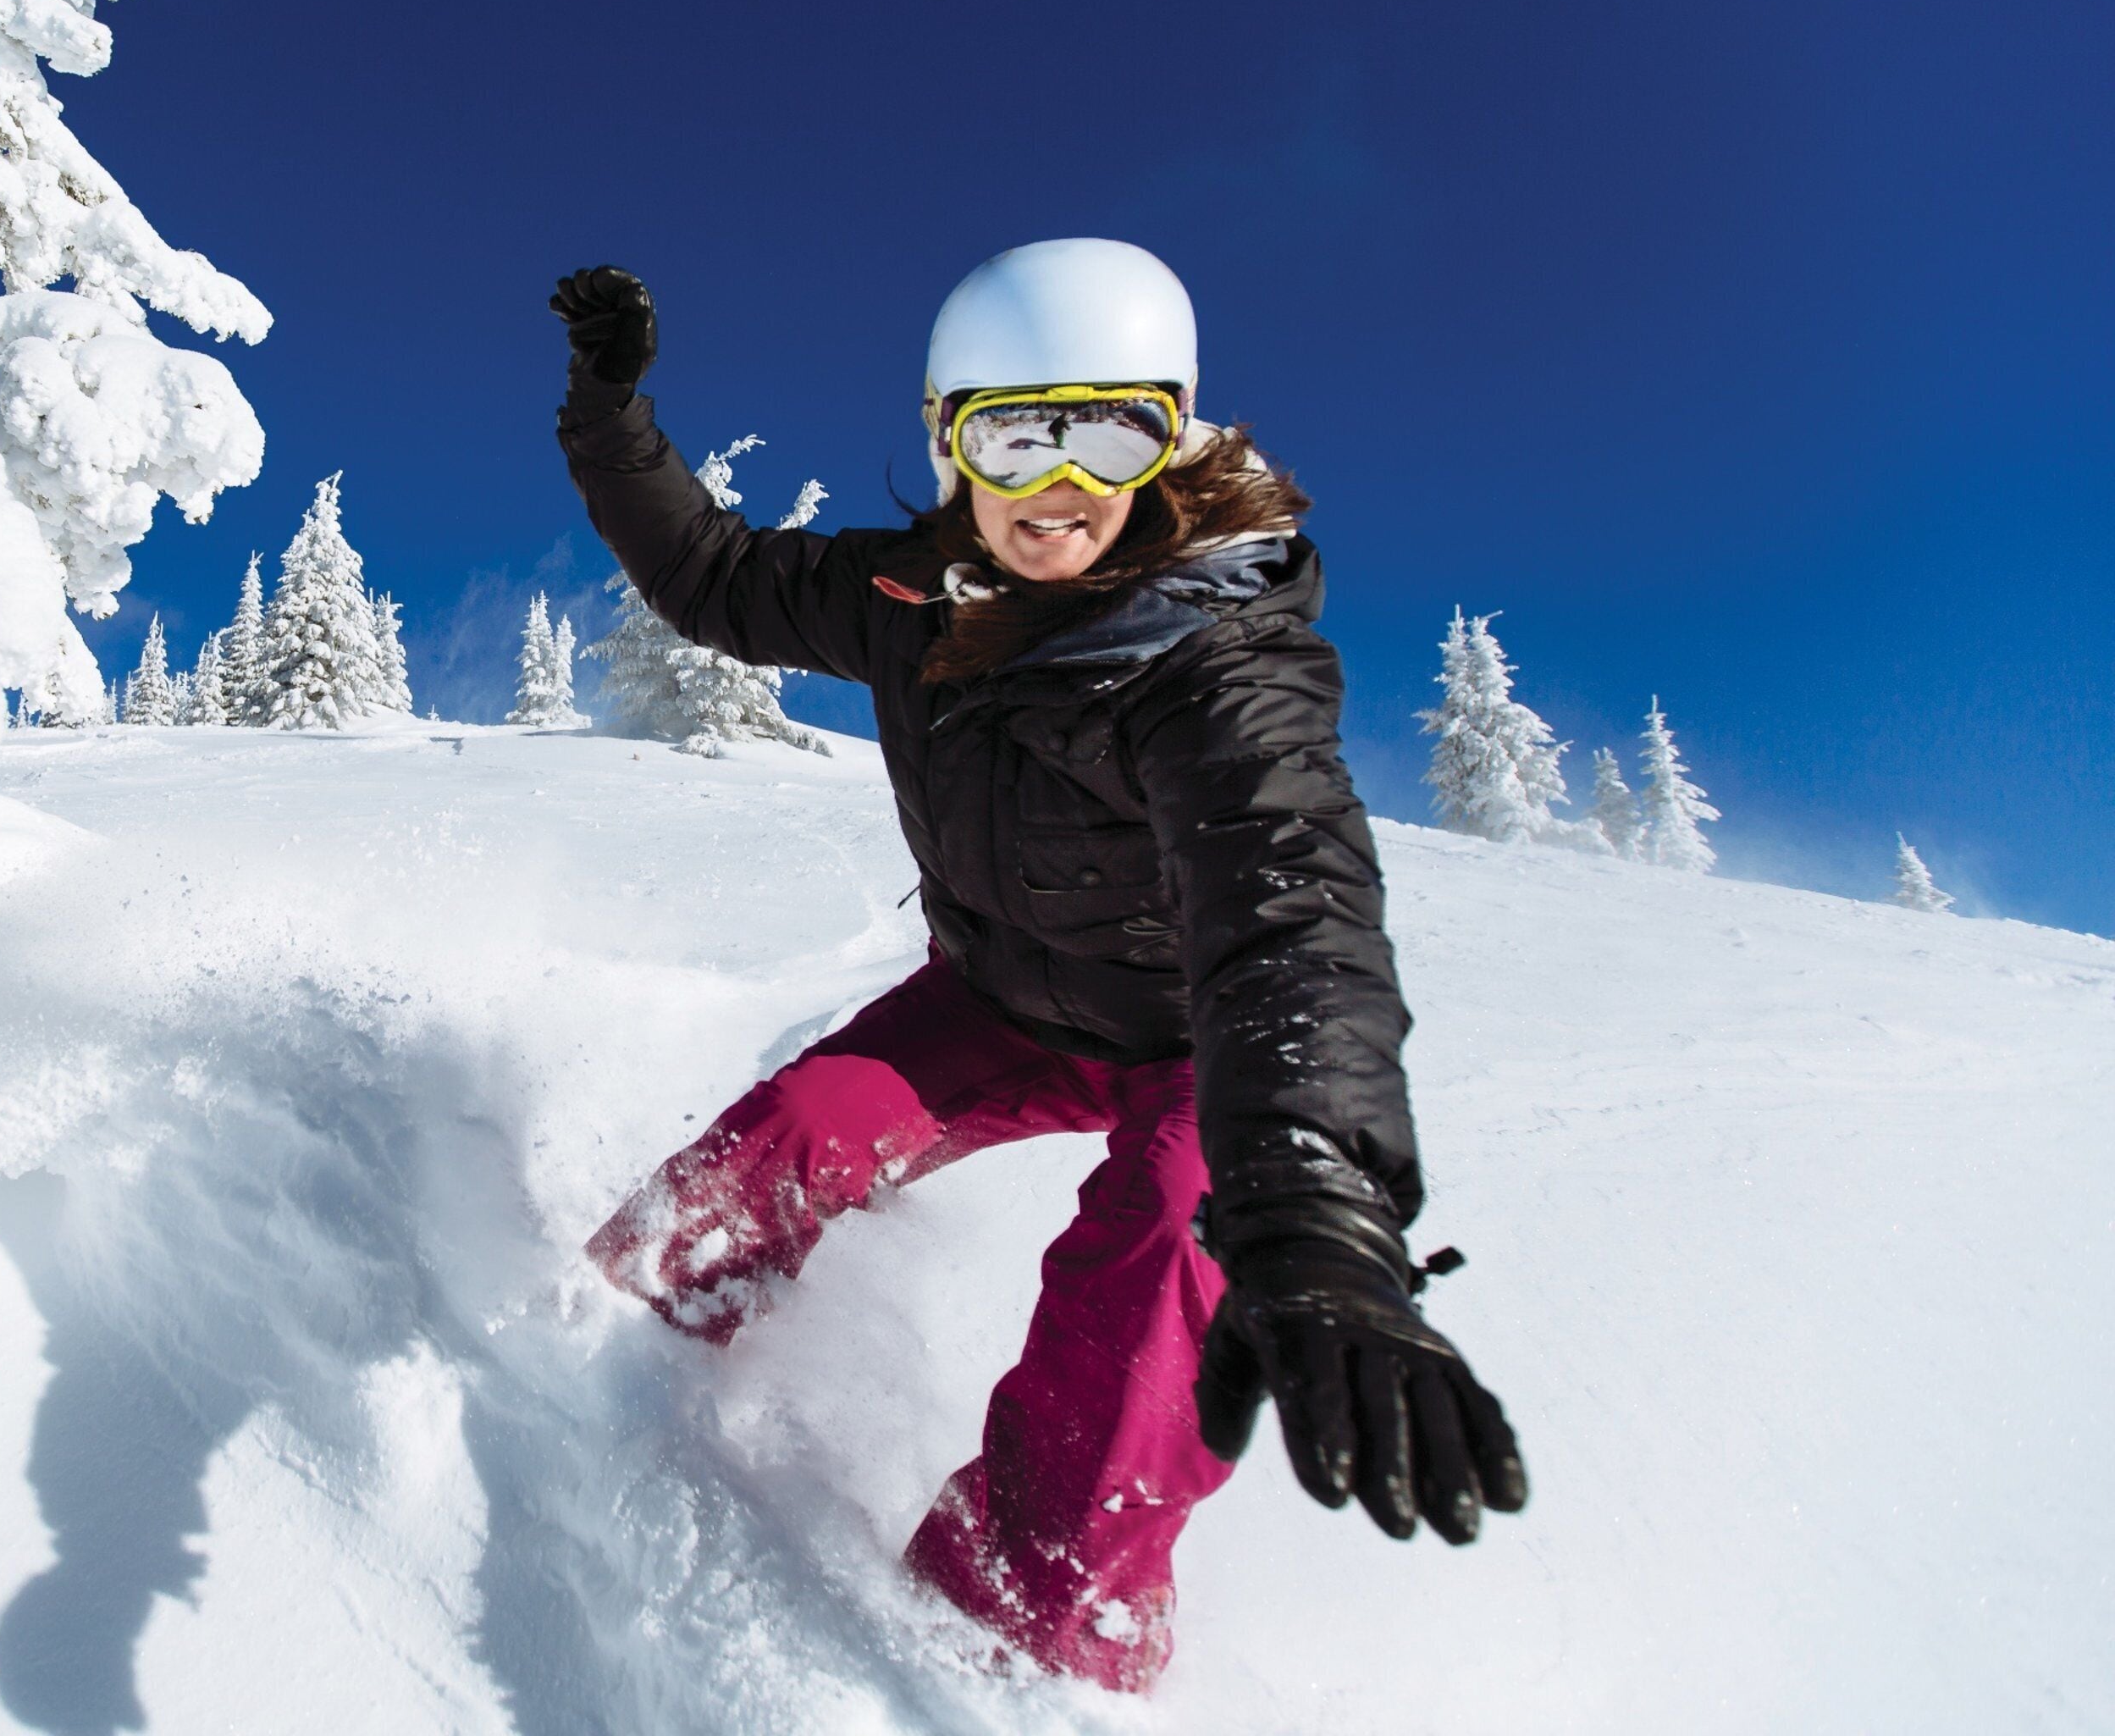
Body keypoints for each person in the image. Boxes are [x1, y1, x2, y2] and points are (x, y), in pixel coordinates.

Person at [551, 240, 1527, 1691]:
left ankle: (1035, 1619)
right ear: (952, 441)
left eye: (1108, 432)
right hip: (997, 1005)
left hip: (1195, 1043)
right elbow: (712, 577)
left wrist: (1323, 1211)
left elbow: (1296, 921)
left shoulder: (1213, 657)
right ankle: (599, 1364)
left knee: (1161, 1287)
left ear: (1171, 436)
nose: (1058, 490)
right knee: (786, 1145)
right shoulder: (908, 595)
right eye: (1017, 434)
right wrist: (610, 416)